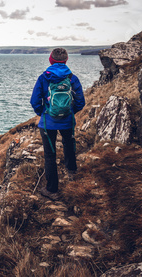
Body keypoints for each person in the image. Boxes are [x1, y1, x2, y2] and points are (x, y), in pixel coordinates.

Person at [30, 48, 85, 200]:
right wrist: (71, 111)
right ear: (66, 60)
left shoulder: (44, 78)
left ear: (51, 60)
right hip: (67, 121)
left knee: (50, 155)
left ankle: (52, 189)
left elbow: (34, 101)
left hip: (48, 123)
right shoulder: (72, 78)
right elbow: (81, 101)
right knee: (68, 144)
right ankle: (72, 173)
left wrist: (43, 112)